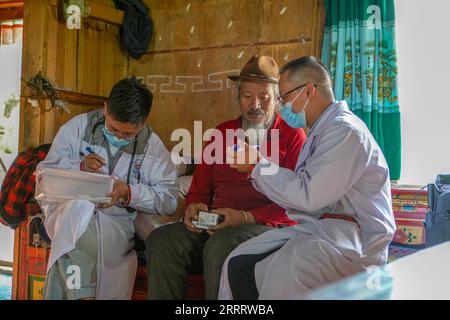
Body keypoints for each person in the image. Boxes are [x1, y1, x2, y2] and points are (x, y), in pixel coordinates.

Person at [219, 56, 396, 299]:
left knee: (281, 275)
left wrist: (256, 165)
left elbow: (308, 195)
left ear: (309, 91)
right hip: (322, 231)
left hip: (352, 243)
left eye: (284, 97)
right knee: (237, 262)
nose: (283, 106)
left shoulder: (345, 131)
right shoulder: (321, 130)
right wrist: (255, 166)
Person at [145, 55, 307, 300]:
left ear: (277, 99)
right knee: (162, 239)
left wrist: (243, 217)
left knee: (222, 243)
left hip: (265, 228)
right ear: (238, 97)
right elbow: (199, 188)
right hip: (217, 224)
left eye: (264, 97)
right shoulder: (222, 132)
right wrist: (194, 207)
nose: (256, 105)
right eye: (247, 97)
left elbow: (296, 203)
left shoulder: (293, 137)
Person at [38, 77, 179, 300]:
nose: (119, 137)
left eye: (128, 134)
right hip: (67, 211)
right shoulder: (78, 127)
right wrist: (80, 167)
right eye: (113, 129)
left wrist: (129, 193)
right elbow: (45, 176)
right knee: (80, 212)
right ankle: (84, 296)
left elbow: (169, 199)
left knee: (86, 241)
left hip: (115, 221)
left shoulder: (152, 146)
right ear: (105, 108)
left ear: (143, 122)